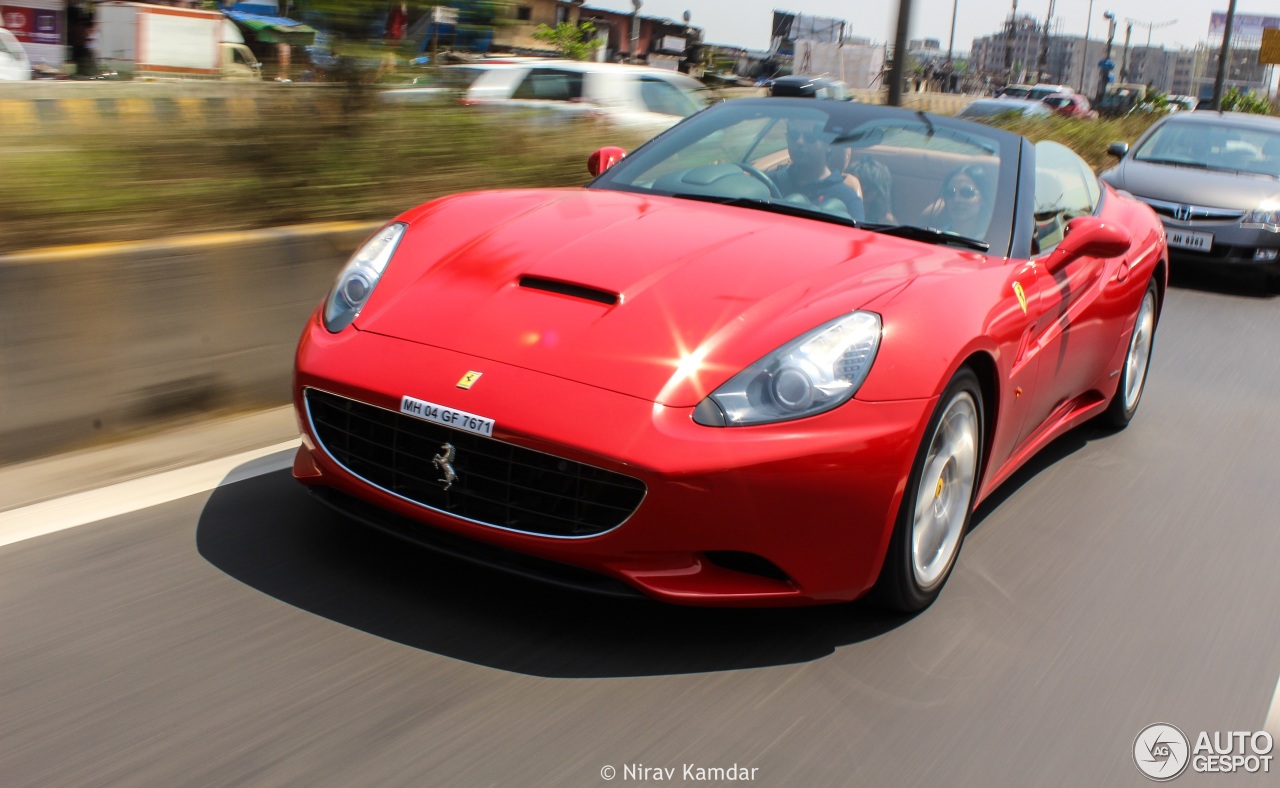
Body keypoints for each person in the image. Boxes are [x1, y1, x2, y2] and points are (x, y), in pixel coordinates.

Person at [770, 119, 865, 221]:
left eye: (810, 137)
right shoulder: (771, 182)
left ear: (828, 145)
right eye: (794, 135)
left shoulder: (848, 199)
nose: (799, 142)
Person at [928, 164, 994, 238]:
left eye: (967, 193)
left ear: (983, 200)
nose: (956, 199)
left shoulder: (995, 241)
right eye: (950, 194)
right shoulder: (934, 238)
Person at [850, 155, 896, 224]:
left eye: (870, 187)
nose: (863, 190)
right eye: (860, 185)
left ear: (880, 192)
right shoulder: (840, 209)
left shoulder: (883, 218)